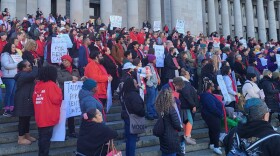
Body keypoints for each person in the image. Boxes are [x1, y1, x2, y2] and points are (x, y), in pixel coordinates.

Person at [33, 66, 62, 156]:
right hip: (49, 116)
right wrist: (58, 88)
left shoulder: (38, 85)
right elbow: (57, 99)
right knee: (45, 141)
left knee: (42, 139)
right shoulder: (51, 85)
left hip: (40, 116)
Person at [14, 60, 38, 145]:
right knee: (23, 119)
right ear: (23, 68)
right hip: (22, 100)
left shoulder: (26, 75)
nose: (30, 67)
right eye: (29, 66)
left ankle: (27, 135)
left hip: (27, 99)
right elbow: (33, 75)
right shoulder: (22, 75)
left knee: (27, 118)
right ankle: (21, 138)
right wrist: (35, 67)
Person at [57, 55, 81, 138]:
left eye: (66, 60)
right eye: (63, 61)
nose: (64, 62)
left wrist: (80, 79)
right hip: (63, 94)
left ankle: (72, 131)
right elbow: (60, 80)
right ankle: (61, 132)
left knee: (71, 114)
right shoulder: (59, 70)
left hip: (72, 95)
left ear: (70, 61)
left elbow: (78, 79)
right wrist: (71, 78)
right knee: (63, 114)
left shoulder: (75, 70)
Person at [121, 78, 145, 156]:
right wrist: (143, 113)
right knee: (132, 140)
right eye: (135, 83)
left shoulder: (125, 93)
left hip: (127, 118)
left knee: (129, 140)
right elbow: (138, 108)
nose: (136, 84)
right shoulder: (133, 95)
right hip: (133, 118)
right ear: (131, 84)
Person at [200, 78, 223, 155]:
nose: (214, 87)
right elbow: (212, 108)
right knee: (216, 131)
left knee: (212, 130)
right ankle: (216, 146)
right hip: (212, 116)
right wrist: (220, 113)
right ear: (210, 87)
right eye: (213, 86)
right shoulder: (208, 96)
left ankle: (212, 144)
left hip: (210, 116)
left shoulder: (207, 95)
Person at [155, 88, 182, 156]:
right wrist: (179, 128)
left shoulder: (160, 108)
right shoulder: (171, 109)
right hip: (171, 137)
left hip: (163, 137)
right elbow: (177, 124)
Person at [1, 43, 21, 116]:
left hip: (14, 76)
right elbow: (6, 65)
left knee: (13, 93)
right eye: (13, 47)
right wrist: (17, 64)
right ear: (9, 47)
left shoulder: (15, 54)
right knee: (9, 93)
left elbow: (20, 62)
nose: (14, 48)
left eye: (15, 47)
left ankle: (12, 108)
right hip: (8, 77)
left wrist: (19, 62)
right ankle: (6, 109)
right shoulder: (4, 55)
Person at [179, 69, 198, 145]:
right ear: (185, 75)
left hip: (185, 105)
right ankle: (187, 136)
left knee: (186, 121)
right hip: (186, 106)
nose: (189, 76)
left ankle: (187, 135)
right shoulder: (185, 83)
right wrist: (193, 105)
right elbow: (187, 95)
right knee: (189, 121)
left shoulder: (183, 83)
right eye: (188, 74)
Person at [145, 54, 160, 120]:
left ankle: (154, 113)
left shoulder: (153, 66)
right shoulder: (148, 67)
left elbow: (155, 74)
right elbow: (148, 78)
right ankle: (150, 114)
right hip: (151, 86)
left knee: (154, 101)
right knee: (150, 101)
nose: (156, 60)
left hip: (155, 86)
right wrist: (151, 85)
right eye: (154, 59)